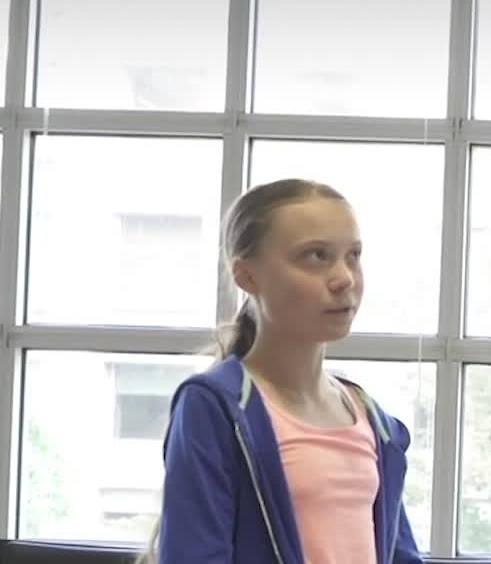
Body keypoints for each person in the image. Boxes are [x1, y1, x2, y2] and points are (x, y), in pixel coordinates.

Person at [139, 178, 421, 564]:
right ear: (247, 276)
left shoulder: (373, 419)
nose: (344, 279)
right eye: (316, 256)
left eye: (352, 256)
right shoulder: (214, 407)